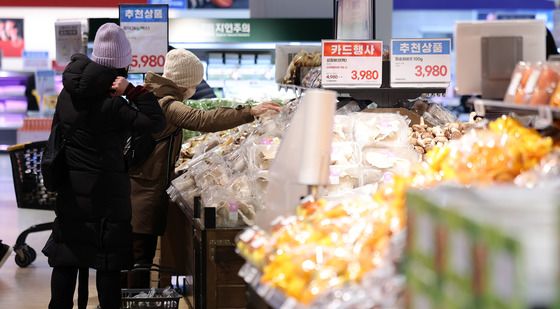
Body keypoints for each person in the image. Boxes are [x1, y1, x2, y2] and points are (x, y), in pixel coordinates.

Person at [127, 48, 280, 288]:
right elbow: (202, 120)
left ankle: (134, 298)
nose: (196, 89)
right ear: (184, 83)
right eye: (194, 84)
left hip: (141, 184)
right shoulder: (166, 104)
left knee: (137, 255)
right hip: (143, 190)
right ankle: (135, 301)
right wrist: (249, 112)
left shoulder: (152, 96)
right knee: (140, 257)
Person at [43, 23, 166, 309]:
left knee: (66, 259)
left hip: (72, 191)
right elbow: (156, 124)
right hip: (107, 198)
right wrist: (134, 92)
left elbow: (58, 134)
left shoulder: (67, 93)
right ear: (121, 66)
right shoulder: (114, 104)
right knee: (108, 266)